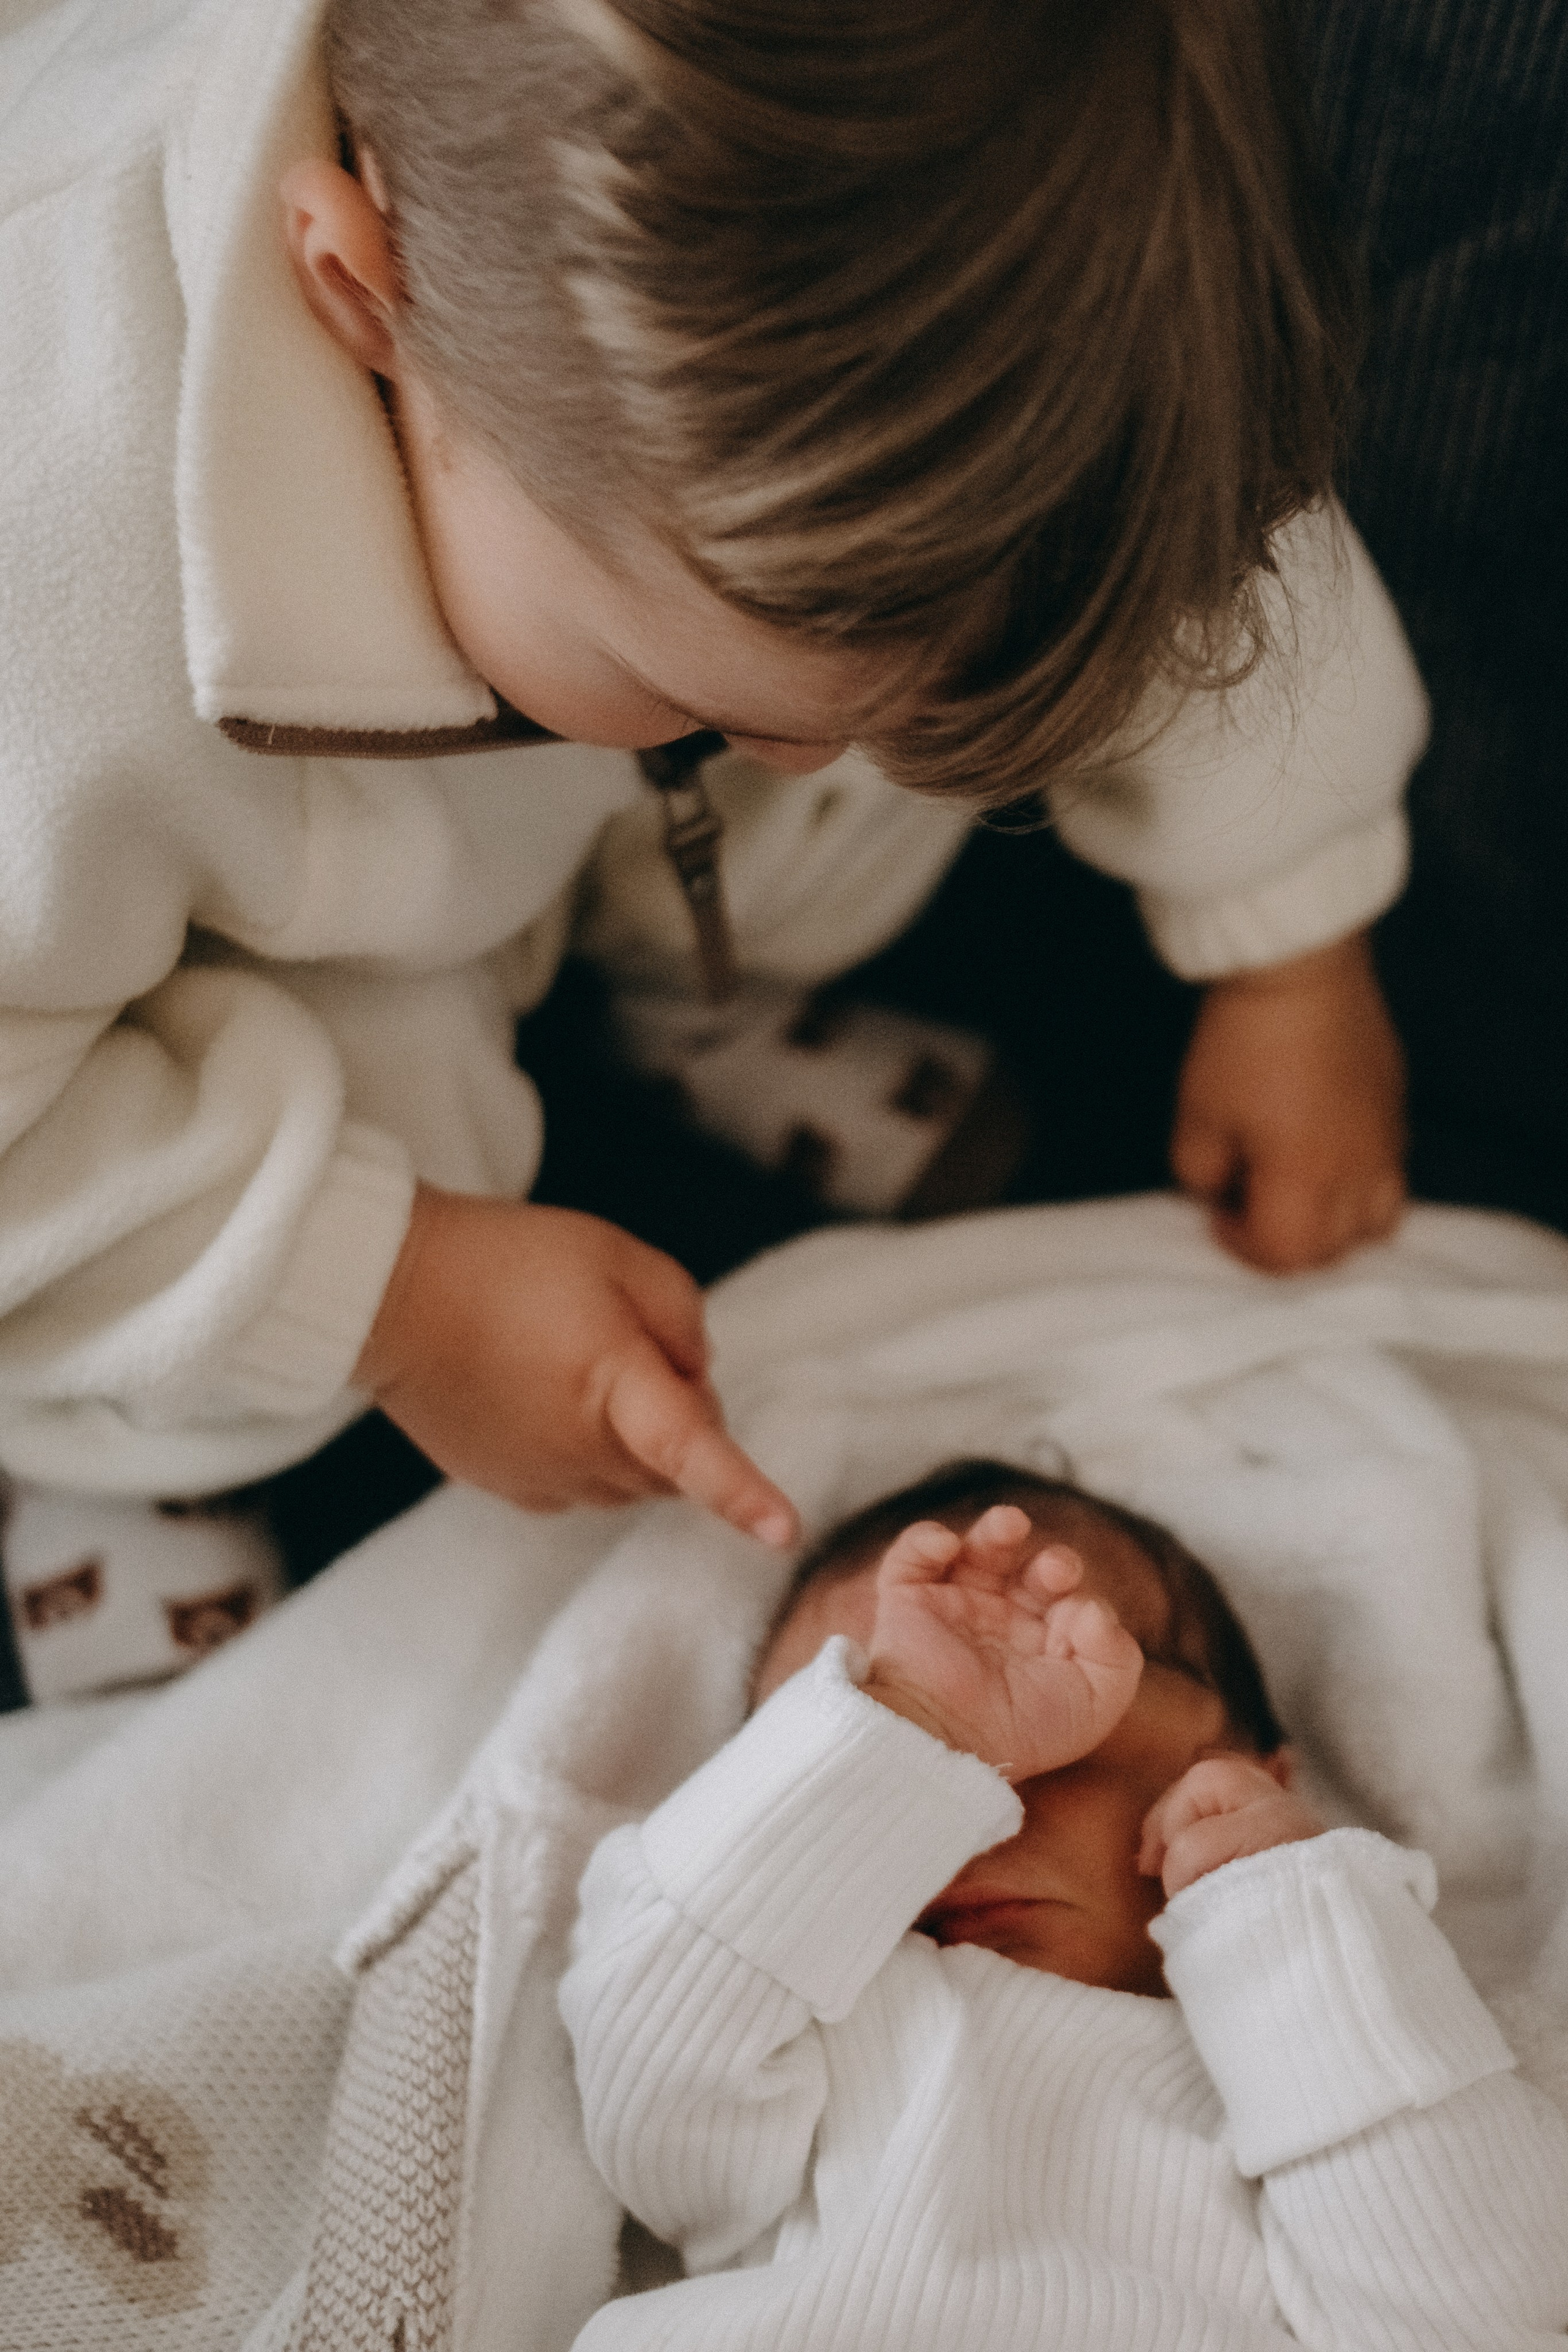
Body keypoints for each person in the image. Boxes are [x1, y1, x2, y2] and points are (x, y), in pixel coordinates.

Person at [0, 0, 1427, 1590]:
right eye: (694, 687)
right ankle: (100, 1466)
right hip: (188, 959)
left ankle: (677, 983)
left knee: (919, 715)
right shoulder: (49, 532)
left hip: (548, 814)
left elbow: (1180, 555)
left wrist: (1293, 941)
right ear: (360, 296)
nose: (813, 758)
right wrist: (403, 1297)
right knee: (355, 1181)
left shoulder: (983, 297)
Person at [560, 1461, 1568, 2348]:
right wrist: (906, 1722)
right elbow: (647, 2048)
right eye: (874, 1764)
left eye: (1065, 1744)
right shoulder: (807, 2042)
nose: (969, 1818)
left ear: (1255, 1777)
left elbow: (1470, 2316)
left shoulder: (1316, 2059)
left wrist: (1293, 1917)